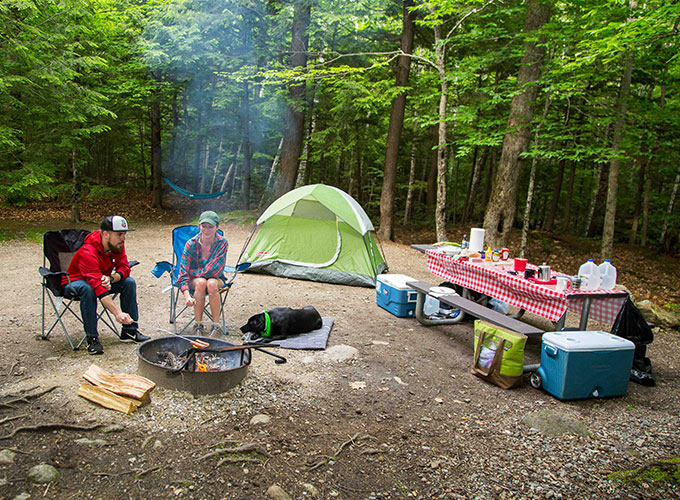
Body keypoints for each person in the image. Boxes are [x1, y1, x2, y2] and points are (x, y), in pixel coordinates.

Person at [63, 215, 149, 355]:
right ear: (106, 234)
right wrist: (118, 313)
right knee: (88, 289)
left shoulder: (117, 246)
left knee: (129, 282)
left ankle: (129, 331)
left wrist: (111, 278)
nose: (123, 238)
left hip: (100, 279)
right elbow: (99, 288)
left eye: (125, 234)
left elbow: (125, 268)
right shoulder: (88, 251)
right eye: (119, 234)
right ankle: (92, 338)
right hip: (73, 283)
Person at [177, 210, 229, 337]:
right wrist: (187, 296)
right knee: (201, 282)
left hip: (217, 279)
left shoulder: (222, 243)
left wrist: (193, 272)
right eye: (204, 226)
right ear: (199, 226)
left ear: (217, 227)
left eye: (210, 227)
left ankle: (216, 326)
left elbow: (214, 270)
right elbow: (183, 273)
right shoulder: (191, 244)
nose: (207, 230)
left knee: (211, 283)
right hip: (196, 282)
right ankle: (197, 324)